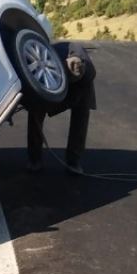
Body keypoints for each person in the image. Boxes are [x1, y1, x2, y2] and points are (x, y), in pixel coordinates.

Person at [26, 42, 96, 176]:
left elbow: (83, 88)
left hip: (81, 88)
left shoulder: (87, 71)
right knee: (35, 111)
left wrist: (73, 96)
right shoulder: (49, 58)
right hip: (51, 78)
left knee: (80, 119)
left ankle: (73, 161)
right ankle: (34, 159)